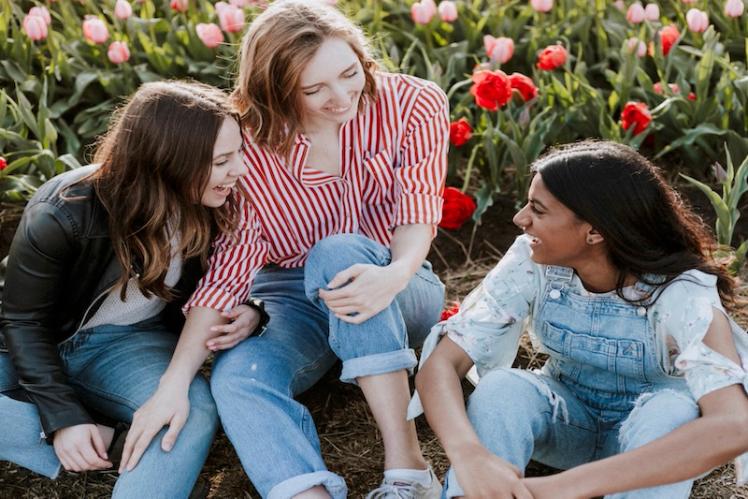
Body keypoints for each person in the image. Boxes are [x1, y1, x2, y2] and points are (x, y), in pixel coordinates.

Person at [118, 1, 450, 497]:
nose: (341, 98)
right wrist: (174, 382)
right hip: (295, 296)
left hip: (396, 282)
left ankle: (408, 470)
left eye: (349, 74)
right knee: (238, 379)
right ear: (275, 90)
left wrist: (395, 273)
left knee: (338, 255)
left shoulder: (414, 103)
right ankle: (305, 492)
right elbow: (230, 269)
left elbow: (417, 213)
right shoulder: (247, 143)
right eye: (314, 90)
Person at [414, 140, 748, 498]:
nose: (519, 219)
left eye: (538, 211)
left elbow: (733, 424)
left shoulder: (683, 293)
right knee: (502, 389)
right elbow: (441, 365)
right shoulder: (531, 260)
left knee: (670, 409)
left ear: (595, 231)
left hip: (651, 448)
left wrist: (561, 488)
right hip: (568, 422)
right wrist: (470, 456)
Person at [0, 81, 261, 498]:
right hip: (32, 345)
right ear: (167, 162)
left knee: (189, 411)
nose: (240, 170)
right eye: (222, 160)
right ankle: (107, 440)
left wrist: (252, 308)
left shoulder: (219, 202)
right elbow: (23, 321)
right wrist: (62, 418)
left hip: (124, 345)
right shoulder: (64, 212)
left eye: (238, 153)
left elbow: (236, 274)